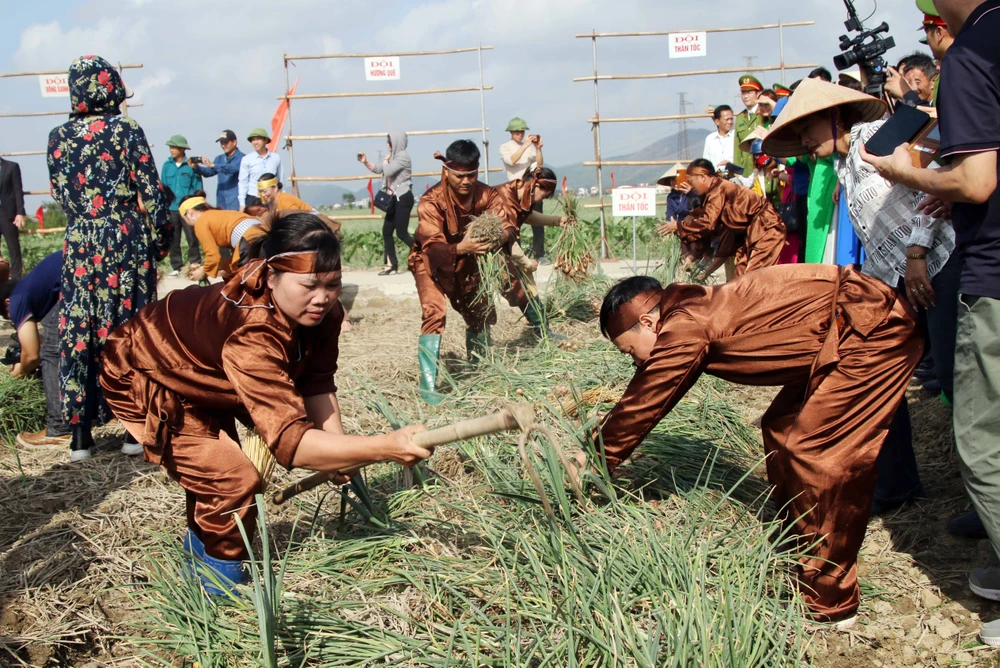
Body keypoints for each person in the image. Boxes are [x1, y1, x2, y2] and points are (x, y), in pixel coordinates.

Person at [100, 212, 430, 594]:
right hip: (147, 370)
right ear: (271, 277)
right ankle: (218, 593)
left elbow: (317, 385)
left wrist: (343, 453)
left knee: (218, 473)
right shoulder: (253, 332)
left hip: (210, 374)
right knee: (231, 479)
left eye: (333, 284)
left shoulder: (323, 314)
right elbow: (291, 442)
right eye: (309, 285)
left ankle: (196, 560)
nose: (322, 298)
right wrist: (381, 448)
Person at [578, 268, 921, 626]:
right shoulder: (688, 307)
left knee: (817, 456)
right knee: (782, 428)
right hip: (839, 331)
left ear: (649, 322)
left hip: (871, 329)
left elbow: (648, 399)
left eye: (630, 350)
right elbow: (648, 387)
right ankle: (803, 540)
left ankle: (830, 600)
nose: (636, 362)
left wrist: (593, 460)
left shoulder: (686, 323)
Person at [858, 0, 1000, 644]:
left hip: (976, 267)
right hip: (966, 257)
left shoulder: (974, 55)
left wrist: (901, 170)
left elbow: (968, 181)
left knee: (980, 432)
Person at [763, 77, 956, 514]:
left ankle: (984, 503)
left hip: (938, 266)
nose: (804, 142)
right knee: (877, 375)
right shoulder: (846, 167)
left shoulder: (879, 138)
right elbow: (877, 234)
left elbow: (936, 177)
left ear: (834, 118)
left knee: (955, 378)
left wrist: (918, 249)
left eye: (807, 131)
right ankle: (897, 484)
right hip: (901, 281)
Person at [47, 55, 171, 460]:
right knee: (129, 326)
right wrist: (161, 241)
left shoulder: (57, 136)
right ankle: (133, 430)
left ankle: (80, 435)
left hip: (81, 241)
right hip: (124, 239)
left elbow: (60, 195)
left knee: (80, 328)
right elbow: (152, 193)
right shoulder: (126, 129)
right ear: (111, 87)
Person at [409, 140, 533, 404]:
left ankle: (477, 368)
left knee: (479, 310)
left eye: (471, 175)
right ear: (446, 171)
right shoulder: (431, 201)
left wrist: (499, 239)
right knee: (434, 312)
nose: (466, 182)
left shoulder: (487, 194)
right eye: (459, 176)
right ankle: (428, 387)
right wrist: (460, 247)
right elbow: (431, 245)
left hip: (470, 259)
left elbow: (509, 226)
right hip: (430, 261)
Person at [657, 158, 786, 281]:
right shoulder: (715, 194)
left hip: (766, 228)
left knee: (754, 278)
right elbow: (721, 245)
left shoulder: (718, 190)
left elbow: (708, 223)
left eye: (691, 182)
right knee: (741, 276)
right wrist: (704, 273)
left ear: (702, 177)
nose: (691, 186)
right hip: (750, 234)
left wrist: (678, 225)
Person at [492, 166, 572, 339]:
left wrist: (557, 220)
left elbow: (526, 216)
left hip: (502, 248)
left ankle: (542, 332)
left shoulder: (523, 195)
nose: (540, 200)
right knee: (517, 288)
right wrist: (526, 262)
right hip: (485, 251)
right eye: (543, 195)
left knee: (525, 286)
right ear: (535, 185)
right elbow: (505, 238)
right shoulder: (505, 198)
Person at [1, 252, 70, 450]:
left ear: (6, 303)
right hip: (87, 268)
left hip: (76, 274)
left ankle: (58, 428)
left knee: (51, 353)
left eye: (7, 316)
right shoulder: (34, 289)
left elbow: (32, 354)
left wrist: (18, 372)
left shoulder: (17, 299)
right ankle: (100, 415)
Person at [359, 131, 415, 275]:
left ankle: (424, 254)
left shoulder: (403, 157)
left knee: (402, 233)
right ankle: (392, 265)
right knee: (387, 232)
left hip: (403, 198)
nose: (387, 145)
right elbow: (378, 169)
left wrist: (385, 160)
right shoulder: (394, 158)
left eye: (389, 142)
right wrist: (365, 161)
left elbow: (388, 171)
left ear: (397, 143)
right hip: (393, 201)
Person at [179, 193, 264, 282]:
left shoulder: (200, 222)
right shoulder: (218, 214)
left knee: (245, 285)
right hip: (263, 231)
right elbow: (235, 257)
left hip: (248, 240)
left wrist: (203, 272)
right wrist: (207, 267)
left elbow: (213, 256)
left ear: (189, 214)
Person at [499, 117, 548, 263]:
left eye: (522, 131)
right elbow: (511, 160)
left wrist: (538, 149)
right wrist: (525, 145)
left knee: (538, 223)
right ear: (511, 132)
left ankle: (540, 254)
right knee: (515, 225)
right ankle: (517, 256)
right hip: (515, 190)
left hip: (532, 188)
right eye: (517, 131)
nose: (520, 134)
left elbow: (539, 163)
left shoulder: (530, 147)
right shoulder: (505, 147)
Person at [161, 134, 204, 277]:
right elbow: (163, 187)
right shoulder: (166, 166)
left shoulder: (191, 165)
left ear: (182, 149)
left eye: (173, 147)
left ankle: (195, 262)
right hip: (172, 207)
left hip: (188, 208)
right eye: (170, 147)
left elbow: (197, 186)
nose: (171, 150)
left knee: (192, 236)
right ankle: (176, 266)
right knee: (174, 238)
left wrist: (196, 206)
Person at [192, 130, 244, 211]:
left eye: (225, 142)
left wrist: (213, 165)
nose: (223, 145)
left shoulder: (243, 158)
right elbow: (209, 172)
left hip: (236, 203)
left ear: (234, 142)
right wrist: (196, 167)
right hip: (221, 203)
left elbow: (232, 168)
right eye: (221, 143)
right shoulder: (219, 159)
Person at [237, 127, 281, 211]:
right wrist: (242, 204)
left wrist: (281, 199)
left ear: (265, 140)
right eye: (253, 140)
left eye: (258, 139)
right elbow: (243, 182)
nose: (255, 142)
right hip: (253, 198)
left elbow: (279, 180)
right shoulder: (247, 159)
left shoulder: (275, 158)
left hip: (271, 199)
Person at [0, 157, 26, 281]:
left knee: (13, 249)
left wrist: (20, 213)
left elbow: (18, 190)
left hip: (8, 214)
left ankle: (16, 280)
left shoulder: (11, 167)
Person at [732, 75, 763, 176]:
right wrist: (737, 171)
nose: (745, 96)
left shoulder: (764, 114)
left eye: (749, 92)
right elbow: (737, 148)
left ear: (758, 93)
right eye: (743, 92)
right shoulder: (740, 117)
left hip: (762, 170)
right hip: (745, 173)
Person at [702, 105, 734, 169]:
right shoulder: (710, 139)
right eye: (727, 119)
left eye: (731, 119)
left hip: (734, 175)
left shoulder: (736, 136)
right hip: (715, 176)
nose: (730, 122)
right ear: (717, 121)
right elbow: (706, 162)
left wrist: (731, 165)